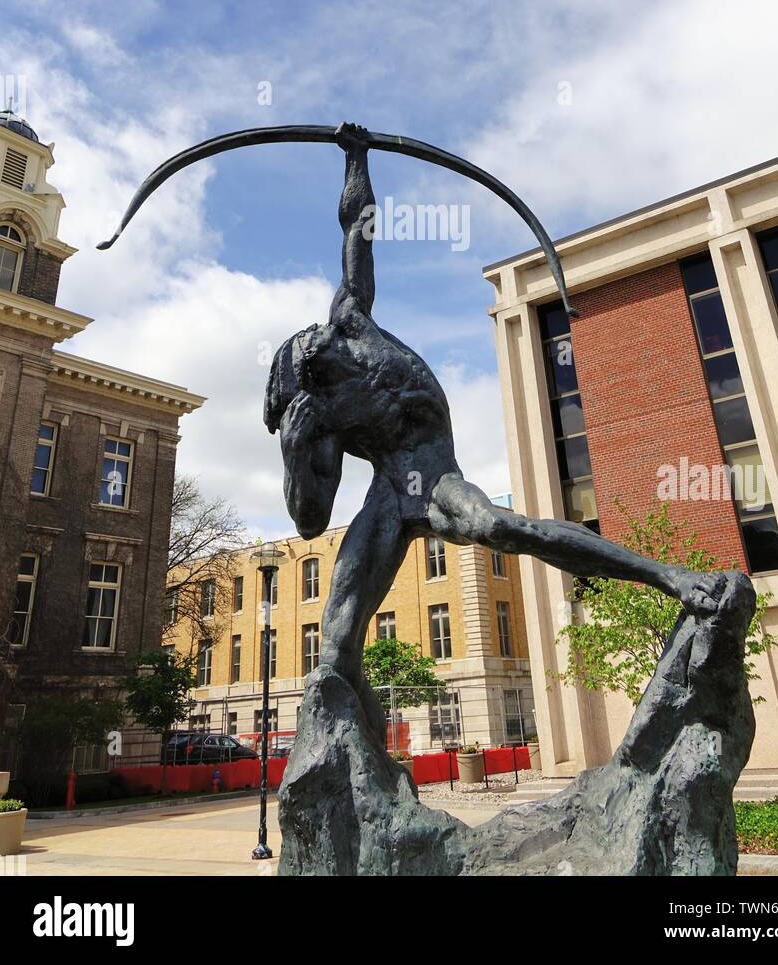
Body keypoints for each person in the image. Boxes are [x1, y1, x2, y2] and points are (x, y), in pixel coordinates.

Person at [264, 122, 729, 702]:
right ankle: (352, 748)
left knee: (499, 526)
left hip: (433, 478)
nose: (315, 337)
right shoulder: (321, 415)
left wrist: (356, 156)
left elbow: (357, 226)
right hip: (390, 494)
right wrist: (293, 455)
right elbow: (309, 521)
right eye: (310, 349)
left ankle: (671, 577)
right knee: (334, 643)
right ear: (306, 373)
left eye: (310, 338)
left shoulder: (351, 316)